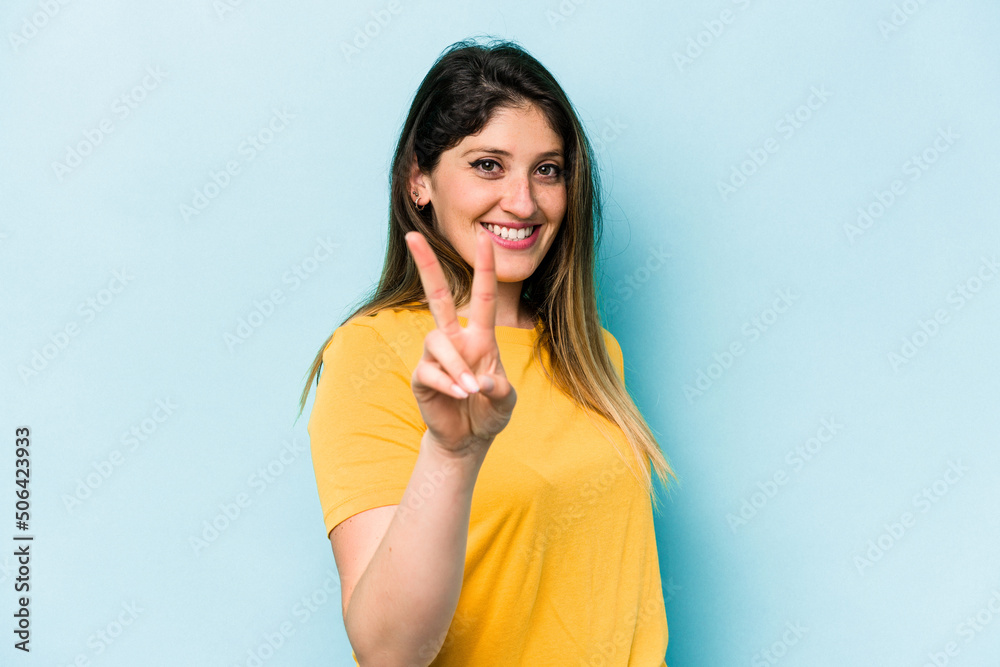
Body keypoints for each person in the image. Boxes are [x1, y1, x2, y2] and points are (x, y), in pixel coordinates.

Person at [300, 37, 677, 666]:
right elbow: (387, 651)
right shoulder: (372, 352)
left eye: (547, 170)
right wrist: (453, 452)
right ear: (418, 180)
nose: (523, 202)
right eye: (487, 165)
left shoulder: (592, 354)